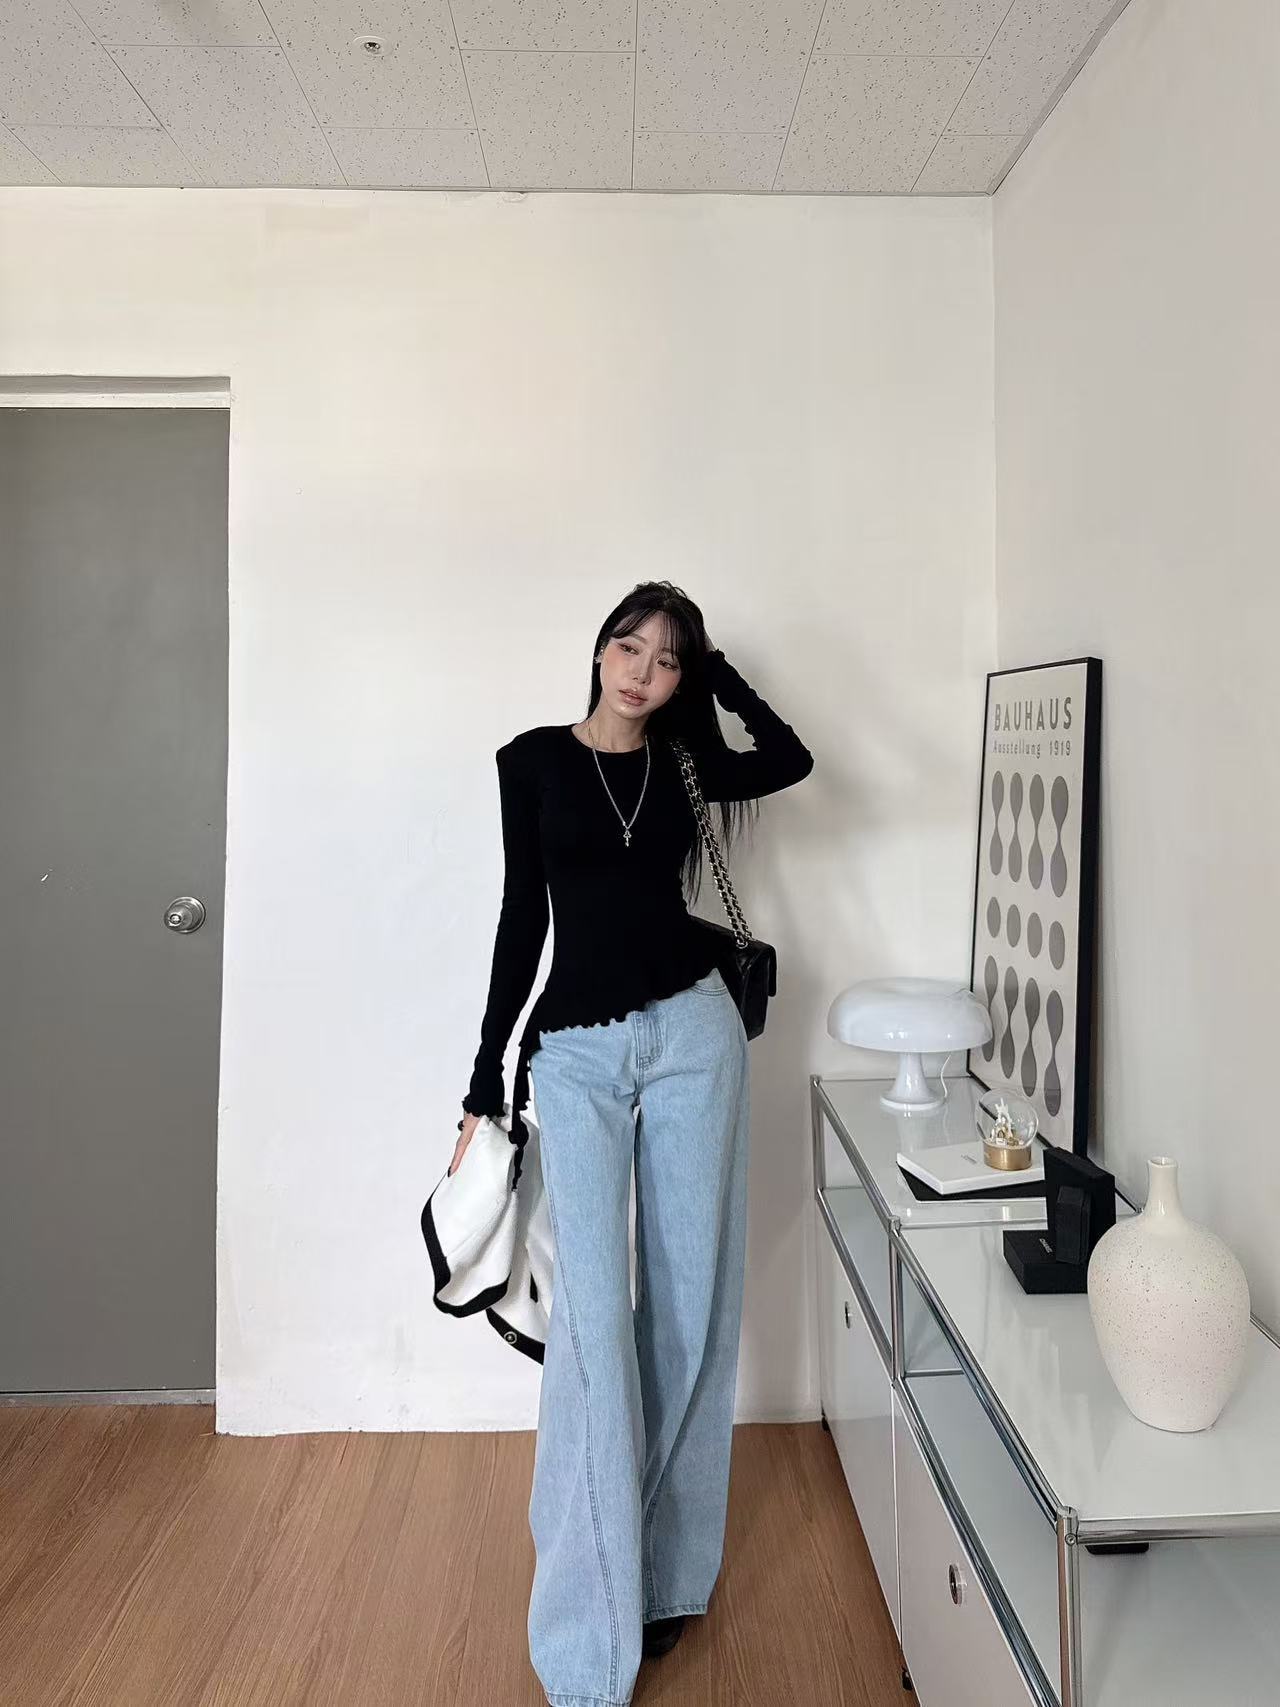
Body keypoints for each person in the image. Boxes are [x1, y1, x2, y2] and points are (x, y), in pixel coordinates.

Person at [451, 580, 814, 1707]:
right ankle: (583, 1639)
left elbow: (790, 758)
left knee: (691, 1306)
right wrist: (483, 1081)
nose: (641, 672)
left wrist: (717, 673)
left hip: (696, 1032)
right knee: (593, 1326)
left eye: (666, 659)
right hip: (575, 1052)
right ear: (598, 649)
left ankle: (663, 1573)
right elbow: (522, 919)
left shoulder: (687, 764)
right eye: (628, 647)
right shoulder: (531, 762)